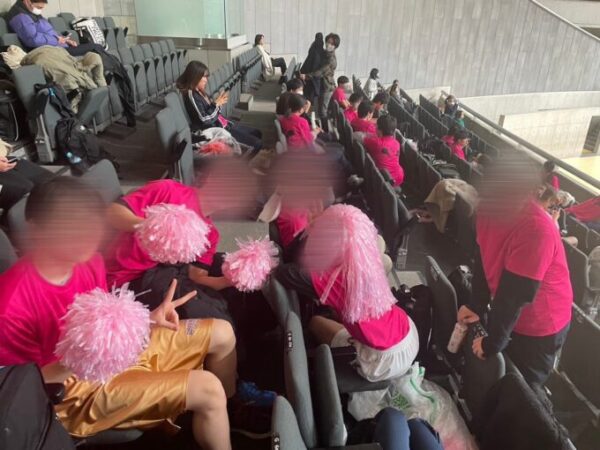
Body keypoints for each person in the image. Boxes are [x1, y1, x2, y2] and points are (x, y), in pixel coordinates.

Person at [0, 177, 267, 448]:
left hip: (113, 358)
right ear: (36, 229)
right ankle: (212, 414)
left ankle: (229, 415)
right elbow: (21, 390)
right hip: (72, 390)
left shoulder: (89, 261)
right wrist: (82, 357)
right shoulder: (10, 303)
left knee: (222, 332)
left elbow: (106, 322)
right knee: (207, 388)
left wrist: (146, 320)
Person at [458, 158, 573, 387]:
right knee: (501, 374)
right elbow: (482, 259)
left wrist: (493, 342)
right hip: (509, 309)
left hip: (542, 322)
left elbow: (515, 295)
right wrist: (476, 305)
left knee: (523, 386)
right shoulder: (487, 210)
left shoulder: (537, 230)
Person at [275, 204, 419, 382]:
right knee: (338, 313)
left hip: (384, 359)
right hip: (407, 332)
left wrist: (309, 230)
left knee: (315, 322)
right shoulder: (370, 258)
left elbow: (284, 272)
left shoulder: (331, 281)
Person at [105, 158, 259, 323]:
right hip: (126, 278)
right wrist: (150, 226)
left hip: (163, 273)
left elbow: (197, 277)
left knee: (223, 305)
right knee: (209, 314)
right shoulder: (169, 190)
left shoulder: (211, 234)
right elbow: (113, 212)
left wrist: (229, 280)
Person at [177, 61, 263, 155]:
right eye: (204, 77)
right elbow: (204, 119)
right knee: (257, 144)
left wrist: (219, 104)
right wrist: (216, 104)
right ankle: (240, 162)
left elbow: (212, 112)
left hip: (225, 123)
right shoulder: (191, 95)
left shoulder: (200, 91)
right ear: (195, 77)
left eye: (207, 77)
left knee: (257, 133)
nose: (206, 80)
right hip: (218, 131)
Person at [7, 0, 103, 57]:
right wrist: (57, 40)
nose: (40, 10)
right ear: (27, 1)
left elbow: (48, 32)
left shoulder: (31, 12)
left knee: (96, 48)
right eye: (39, 7)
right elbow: (33, 40)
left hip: (59, 47)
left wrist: (65, 40)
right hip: (50, 52)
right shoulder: (20, 17)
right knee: (95, 48)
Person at [300, 33, 341, 128]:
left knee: (323, 111)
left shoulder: (331, 59)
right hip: (320, 85)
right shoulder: (324, 53)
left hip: (327, 87)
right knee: (318, 111)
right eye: (328, 42)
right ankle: (320, 128)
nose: (328, 44)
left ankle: (326, 130)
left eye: (332, 43)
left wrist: (307, 76)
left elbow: (321, 71)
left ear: (335, 46)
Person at [364, 115, 404, 187]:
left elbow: (359, 137)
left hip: (383, 179)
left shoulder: (376, 143)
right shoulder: (397, 143)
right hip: (399, 177)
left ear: (379, 129)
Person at [300, 33, 325, 106]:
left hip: (309, 75)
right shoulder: (321, 50)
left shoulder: (313, 47)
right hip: (314, 77)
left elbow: (308, 62)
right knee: (312, 96)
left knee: (309, 95)